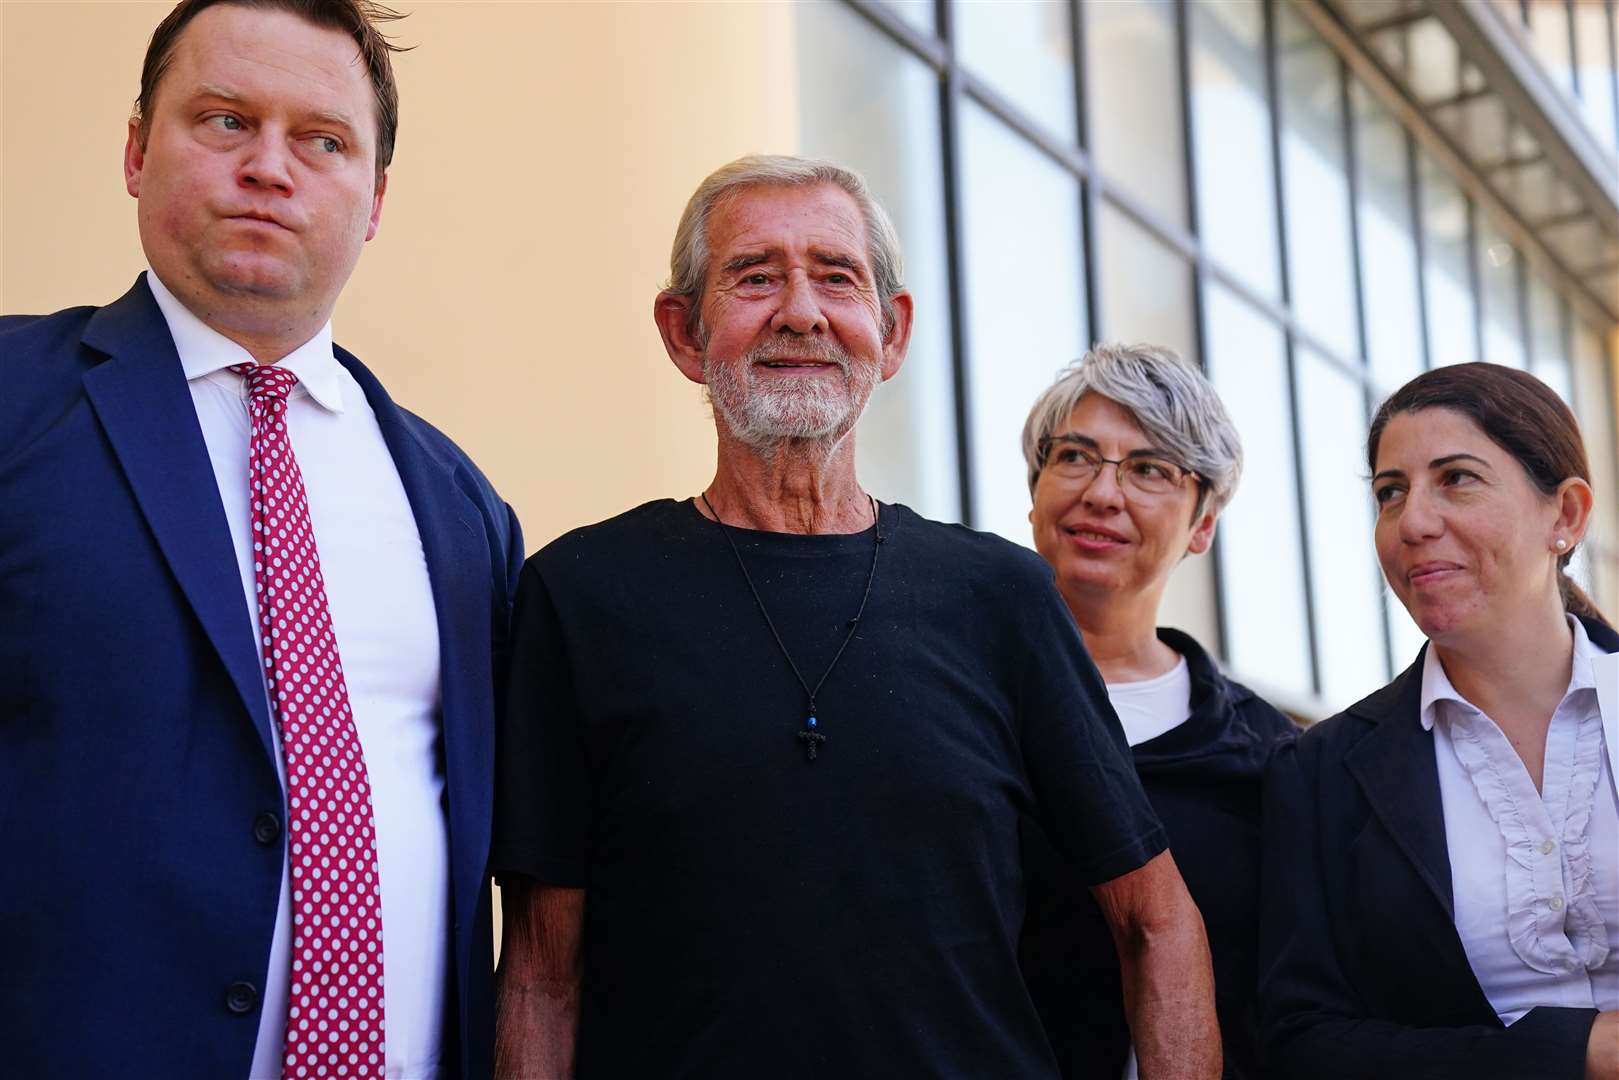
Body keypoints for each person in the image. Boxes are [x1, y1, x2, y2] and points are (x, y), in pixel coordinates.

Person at [490, 155, 1220, 1079]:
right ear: (684, 333)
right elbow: (542, 973)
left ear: (892, 329)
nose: (801, 311)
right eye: (755, 277)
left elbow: (1154, 923)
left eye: (836, 278)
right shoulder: (580, 594)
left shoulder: (997, 596)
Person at [0, 2, 523, 1077]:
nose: (270, 169)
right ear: (138, 151)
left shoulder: (463, 510)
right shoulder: (13, 407)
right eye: (226, 121)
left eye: (322, 140)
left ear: (373, 200)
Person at [1261, 362, 1619, 1080]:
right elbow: (1303, 1042)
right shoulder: (1320, 772)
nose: (1413, 522)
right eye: (1390, 493)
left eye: (1455, 478)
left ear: (1566, 514)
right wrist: (1573, 1054)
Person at [1016, 345, 1297, 1079]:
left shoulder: (1266, 760)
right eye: (1075, 456)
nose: (1102, 494)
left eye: (1148, 470)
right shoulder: (947, 705)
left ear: (1202, 525)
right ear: (1036, 488)